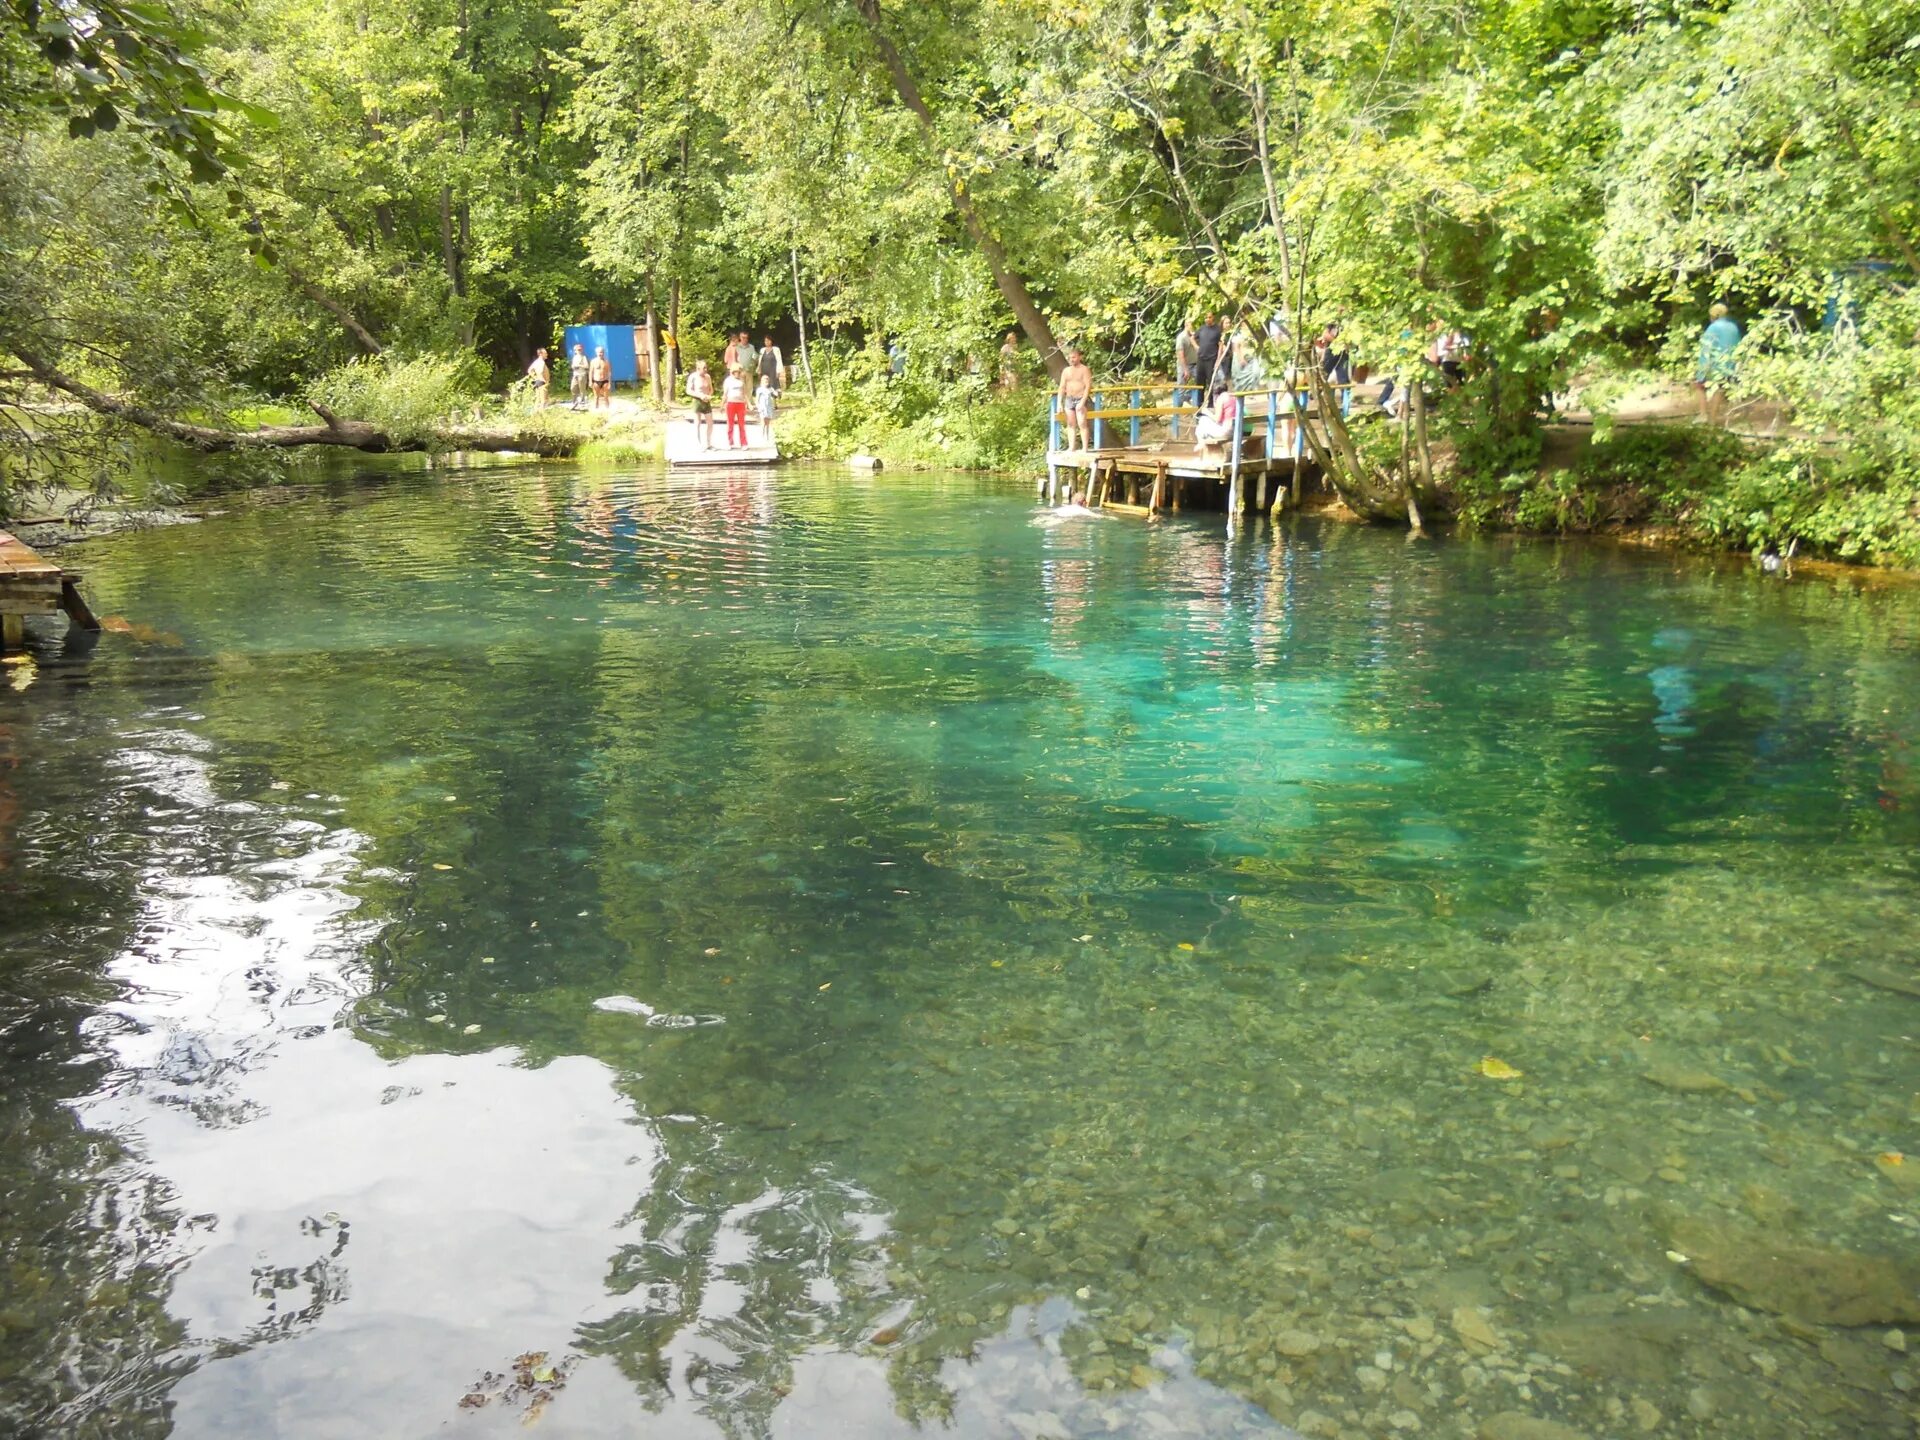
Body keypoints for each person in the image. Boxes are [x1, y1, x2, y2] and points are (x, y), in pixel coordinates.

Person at [1694, 303, 1742, 425]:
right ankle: (1713, 419)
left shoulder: (1713, 327)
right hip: (1730, 365)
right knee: (1719, 389)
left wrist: (1701, 369)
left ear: (1713, 315)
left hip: (1714, 364)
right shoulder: (1733, 327)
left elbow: (1707, 348)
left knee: (1699, 386)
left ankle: (1703, 414)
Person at [1058, 348, 1093, 451]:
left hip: (1080, 398)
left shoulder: (1084, 369)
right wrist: (1059, 403)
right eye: (1070, 358)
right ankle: (1071, 447)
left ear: (1079, 357)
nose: (1071, 359)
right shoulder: (1066, 371)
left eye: (1073, 357)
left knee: (1082, 423)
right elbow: (1062, 387)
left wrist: (1082, 402)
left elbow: (1088, 386)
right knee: (1070, 424)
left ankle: (1085, 448)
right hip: (1069, 398)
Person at [1193, 380, 1239, 452]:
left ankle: (1201, 443)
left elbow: (1217, 419)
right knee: (1204, 423)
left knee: (1202, 420)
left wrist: (1206, 412)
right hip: (1237, 430)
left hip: (1226, 432)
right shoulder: (1233, 397)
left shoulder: (1221, 398)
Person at [686, 360, 715, 448]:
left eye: (706, 367)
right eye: (704, 368)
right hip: (697, 400)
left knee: (710, 422)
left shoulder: (708, 377)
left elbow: (711, 389)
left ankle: (708, 443)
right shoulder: (693, 377)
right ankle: (698, 443)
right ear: (698, 369)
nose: (706, 370)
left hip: (706, 401)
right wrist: (700, 396)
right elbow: (688, 390)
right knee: (697, 422)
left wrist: (708, 396)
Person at [1174, 318, 1199, 410]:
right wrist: (1185, 369)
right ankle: (1177, 408)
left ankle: (1187, 398)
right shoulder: (1181, 337)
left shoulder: (1194, 336)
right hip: (1183, 364)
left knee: (1199, 381)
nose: (1192, 327)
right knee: (1181, 386)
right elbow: (1180, 354)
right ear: (1186, 325)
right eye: (1190, 324)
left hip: (1195, 364)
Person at [722, 364, 749, 447]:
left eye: (739, 372)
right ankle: (730, 442)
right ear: (733, 372)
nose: (738, 373)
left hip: (740, 404)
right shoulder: (728, 381)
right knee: (730, 424)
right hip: (731, 403)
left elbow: (745, 393)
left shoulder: (741, 381)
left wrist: (748, 404)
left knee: (742, 424)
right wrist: (722, 404)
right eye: (736, 372)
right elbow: (725, 393)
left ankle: (743, 443)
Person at [1195, 312, 1223, 391]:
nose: (1207, 319)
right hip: (1201, 359)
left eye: (1209, 317)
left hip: (1211, 359)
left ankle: (1211, 402)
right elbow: (1192, 338)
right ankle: (1199, 402)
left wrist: (1218, 359)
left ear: (1213, 317)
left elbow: (1220, 345)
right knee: (1199, 382)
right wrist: (1196, 347)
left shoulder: (1217, 330)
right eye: (1206, 318)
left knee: (1211, 382)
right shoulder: (1202, 328)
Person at [754, 372, 777, 443]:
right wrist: (758, 407)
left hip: (769, 407)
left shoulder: (770, 389)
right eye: (765, 381)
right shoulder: (760, 389)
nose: (766, 382)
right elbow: (757, 399)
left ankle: (767, 436)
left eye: (767, 381)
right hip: (763, 407)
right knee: (763, 422)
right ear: (762, 382)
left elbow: (775, 394)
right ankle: (762, 436)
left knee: (768, 423)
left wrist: (776, 392)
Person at [589, 345, 613, 410]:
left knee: (606, 397)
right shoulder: (593, 361)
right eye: (599, 352)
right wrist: (590, 381)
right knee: (596, 397)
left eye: (601, 352)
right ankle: (596, 409)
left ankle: (608, 409)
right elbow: (591, 372)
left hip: (605, 380)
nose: (600, 354)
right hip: (596, 381)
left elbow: (609, 372)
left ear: (604, 353)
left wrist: (610, 383)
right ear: (596, 353)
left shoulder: (606, 361)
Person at [568, 343, 590, 409]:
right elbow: (572, 366)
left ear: (582, 350)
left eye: (579, 349)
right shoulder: (574, 357)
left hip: (582, 375)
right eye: (576, 350)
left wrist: (579, 365)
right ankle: (574, 402)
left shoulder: (584, 357)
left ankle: (582, 402)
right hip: (575, 374)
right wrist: (574, 367)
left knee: (582, 389)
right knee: (573, 388)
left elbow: (587, 366)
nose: (577, 351)